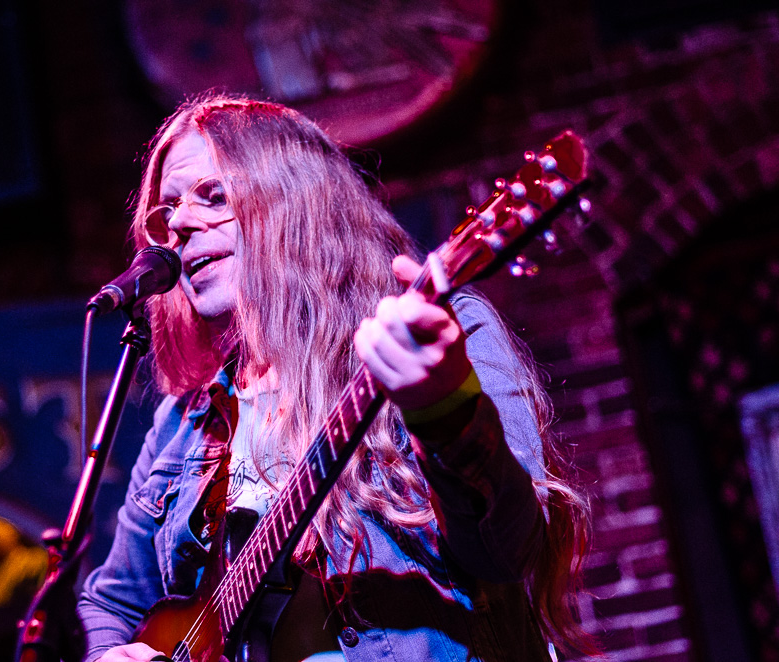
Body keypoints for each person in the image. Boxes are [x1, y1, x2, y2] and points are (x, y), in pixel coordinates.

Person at [77, 93, 594, 662]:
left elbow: (508, 552)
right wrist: (107, 655)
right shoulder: (184, 423)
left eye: (213, 195)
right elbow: (108, 605)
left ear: (293, 203)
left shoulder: (444, 332)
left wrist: (443, 407)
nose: (177, 223)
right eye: (167, 210)